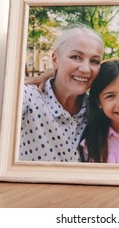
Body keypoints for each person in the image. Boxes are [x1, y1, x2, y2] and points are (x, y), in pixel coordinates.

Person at [19, 24, 104, 162]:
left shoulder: (97, 108)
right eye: (76, 57)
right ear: (55, 59)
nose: (86, 69)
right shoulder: (28, 97)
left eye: (94, 61)